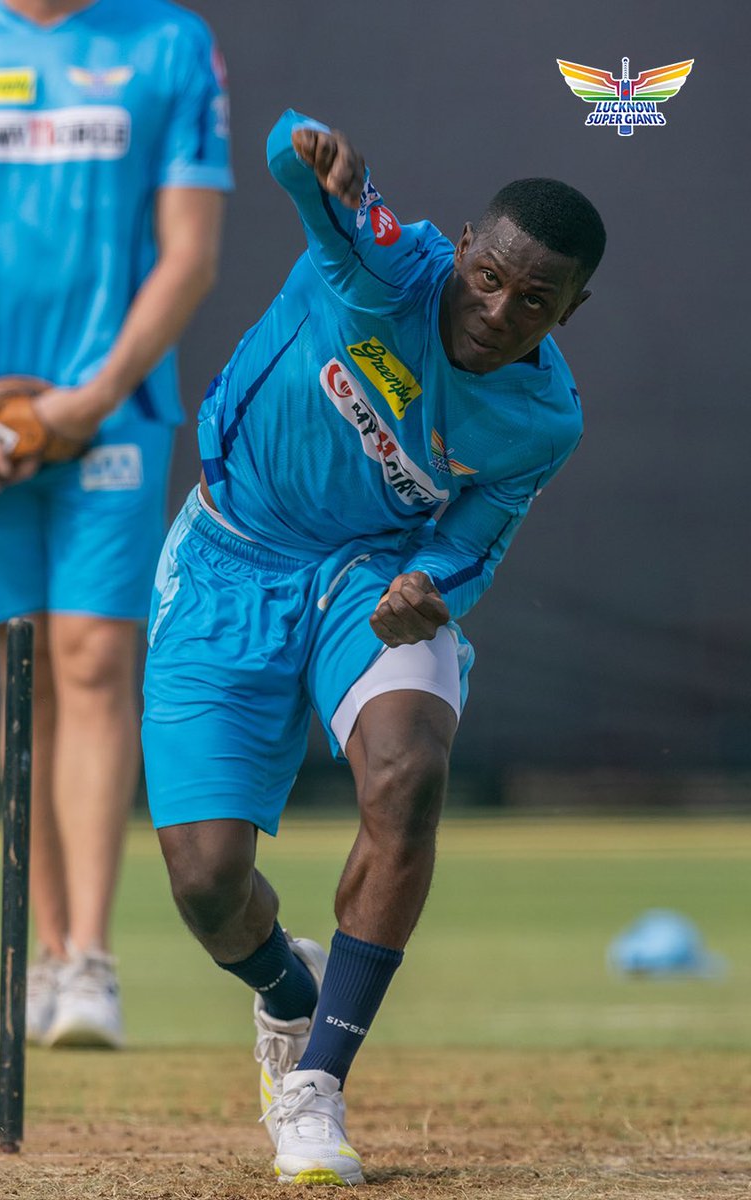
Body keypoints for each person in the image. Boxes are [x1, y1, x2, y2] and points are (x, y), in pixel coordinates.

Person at [142, 109, 605, 1183]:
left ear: (573, 310)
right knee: (207, 883)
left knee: (409, 771)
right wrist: (313, 146)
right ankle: (289, 997)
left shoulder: (544, 421)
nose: (499, 310)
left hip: (369, 578)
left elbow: (472, 543)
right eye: (489, 276)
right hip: (231, 554)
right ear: (466, 249)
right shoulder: (386, 262)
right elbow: (287, 162)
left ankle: (317, 1087)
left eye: (537, 301)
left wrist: (427, 591)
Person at [0, 0, 232, 1048]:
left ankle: (90, 965)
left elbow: (190, 252)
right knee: (20, 670)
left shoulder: (168, 43)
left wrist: (94, 395)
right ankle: (34, 963)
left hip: (110, 414)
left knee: (90, 660)